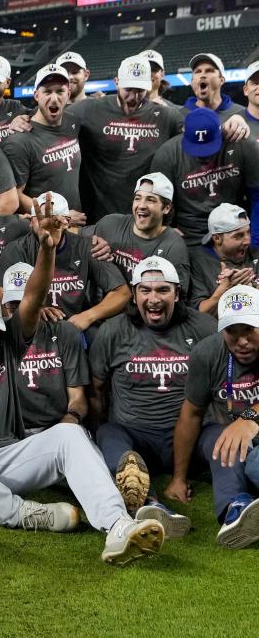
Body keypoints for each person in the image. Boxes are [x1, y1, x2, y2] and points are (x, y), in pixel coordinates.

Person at [0, 194, 166, 565]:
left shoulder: (7, 342)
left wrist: (46, 248)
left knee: (69, 435)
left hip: (7, 455)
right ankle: (15, 511)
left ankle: (117, 525)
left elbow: (32, 298)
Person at [90, 257, 215, 538]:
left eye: (163, 290)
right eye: (145, 290)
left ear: (178, 293)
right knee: (109, 435)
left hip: (191, 438)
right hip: (135, 437)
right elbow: (97, 390)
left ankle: (240, 501)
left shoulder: (204, 328)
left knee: (224, 437)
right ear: (134, 295)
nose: (154, 298)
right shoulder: (113, 331)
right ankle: (150, 504)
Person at [168, 284, 259, 548]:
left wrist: (250, 417)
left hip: (248, 431)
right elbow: (191, 414)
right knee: (223, 444)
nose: (241, 341)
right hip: (226, 430)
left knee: (254, 464)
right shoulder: (207, 353)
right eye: (232, 331)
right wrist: (178, 478)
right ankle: (236, 511)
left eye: (250, 330)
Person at [0, 191, 130, 338]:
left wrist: (88, 316)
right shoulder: (16, 250)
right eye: (39, 219)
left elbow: (122, 292)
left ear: (67, 222)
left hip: (75, 327)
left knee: (100, 335)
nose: (45, 225)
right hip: (33, 329)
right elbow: (3, 297)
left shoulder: (87, 247)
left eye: (54, 219)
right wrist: (32, 309)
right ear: (30, 222)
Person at [68, 56, 184, 222]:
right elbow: (47, 121)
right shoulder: (89, 108)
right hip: (99, 217)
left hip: (145, 218)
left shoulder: (166, 116)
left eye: (139, 90)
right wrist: (22, 119)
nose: (133, 97)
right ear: (116, 82)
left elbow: (199, 132)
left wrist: (234, 120)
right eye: (128, 89)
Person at [0, 263, 89, 435]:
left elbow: (78, 398)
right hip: (14, 433)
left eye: (27, 303)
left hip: (58, 426)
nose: (22, 312)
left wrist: (70, 420)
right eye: (14, 304)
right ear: (5, 305)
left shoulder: (64, 332)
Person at [151, 108, 259, 247]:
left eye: (209, 147)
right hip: (189, 236)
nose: (203, 154)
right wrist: (164, 228)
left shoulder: (241, 144)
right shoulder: (167, 155)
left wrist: (256, 244)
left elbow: (257, 196)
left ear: (221, 131)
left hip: (234, 231)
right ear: (183, 131)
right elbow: (155, 201)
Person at [1, 65, 84, 225]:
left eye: (60, 91)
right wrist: (59, 215)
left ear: (68, 94)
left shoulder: (72, 121)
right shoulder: (19, 141)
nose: (54, 98)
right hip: (44, 229)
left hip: (75, 227)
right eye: (47, 92)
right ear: (36, 95)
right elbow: (13, 195)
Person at [94, 172, 190, 289]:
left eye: (150, 200)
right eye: (137, 198)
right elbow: (73, 240)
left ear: (166, 208)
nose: (141, 205)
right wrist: (92, 242)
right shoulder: (110, 224)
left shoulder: (174, 247)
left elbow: (176, 299)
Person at [189, 204, 259, 316]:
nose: (248, 241)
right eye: (239, 236)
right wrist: (225, 290)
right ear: (217, 238)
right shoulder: (197, 261)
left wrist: (252, 287)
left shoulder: (255, 253)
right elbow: (197, 315)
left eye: (248, 232)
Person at [184, 53, 246, 123]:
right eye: (198, 72)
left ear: (221, 80)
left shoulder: (242, 114)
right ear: (192, 82)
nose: (202, 75)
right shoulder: (177, 117)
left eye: (209, 71)